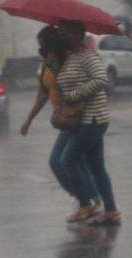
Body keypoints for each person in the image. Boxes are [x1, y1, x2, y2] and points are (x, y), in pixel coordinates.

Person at [20, 26, 101, 214]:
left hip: (77, 116)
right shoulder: (48, 63)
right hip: (64, 118)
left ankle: (90, 200)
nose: (41, 52)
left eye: (43, 47)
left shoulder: (67, 59)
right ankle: (84, 198)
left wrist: (54, 65)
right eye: (39, 49)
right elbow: (43, 93)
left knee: (63, 161)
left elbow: (71, 83)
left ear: (52, 45)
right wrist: (29, 119)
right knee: (66, 162)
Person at [55, 19, 120, 226]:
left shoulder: (87, 55)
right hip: (82, 119)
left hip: (92, 118)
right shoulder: (71, 57)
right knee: (97, 167)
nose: (62, 36)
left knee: (67, 160)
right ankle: (111, 211)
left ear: (77, 34)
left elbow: (101, 79)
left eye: (65, 33)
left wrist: (75, 94)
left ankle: (86, 203)